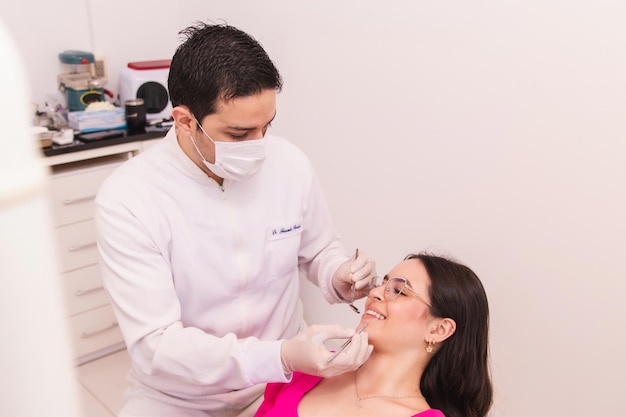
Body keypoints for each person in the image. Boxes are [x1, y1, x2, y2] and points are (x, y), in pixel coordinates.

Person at [94, 22, 377, 417]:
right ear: (185, 120)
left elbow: (318, 249)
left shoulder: (289, 164)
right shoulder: (129, 198)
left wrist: (337, 273)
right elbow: (156, 345)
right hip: (180, 396)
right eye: (240, 134)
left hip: (281, 381)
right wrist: (278, 356)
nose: (260, 146)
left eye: (267, 126)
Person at [254, 252, 493, 417]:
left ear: (439, 330)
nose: (376, 293)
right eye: (383, 284)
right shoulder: (306, 370)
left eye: (399, 290)